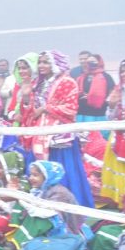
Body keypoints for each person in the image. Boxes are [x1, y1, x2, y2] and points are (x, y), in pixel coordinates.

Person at [19, 50, 93, 208]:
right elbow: (30, 112)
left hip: (59, 136)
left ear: (56, 64)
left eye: (46, 62)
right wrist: (25, 96)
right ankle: (38, 204)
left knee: (64, 170)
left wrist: (46, 109)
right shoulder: (37, 83)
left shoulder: (67, 82)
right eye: (40, 62)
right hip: (39, 134)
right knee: (37, 169)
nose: (41, 65)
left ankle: (66, 207)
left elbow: (71, 109)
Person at [4, 160, 84, 250]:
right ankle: (15, 238)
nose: (31, 178)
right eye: (30, 174)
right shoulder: (39, 190)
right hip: (47, 220)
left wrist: (22, 200)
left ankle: (17, 245)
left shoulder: (60, 192)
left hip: (65, 229)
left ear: (47, 176)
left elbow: (49, 213)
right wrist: (15, 194)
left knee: (41, 219)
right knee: (21, 205)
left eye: (35, 175)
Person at [102, 58, 125, 211]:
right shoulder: (118, 90)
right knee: (121, 173)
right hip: (119, 140)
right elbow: (110, 117)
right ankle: (123, 204)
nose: (124, 74)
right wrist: (112, 105)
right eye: (122, 72)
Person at [75, 53, 115, 130]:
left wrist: (91, 97)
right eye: (88, 61)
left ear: (99, 62)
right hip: (82, 112)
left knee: (98, 135)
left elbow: (112, 94)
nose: (90, 63)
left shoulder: (106, 76)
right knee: (82, 135)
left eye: (93, 61)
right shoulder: (81, 77)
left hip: (98, 113)